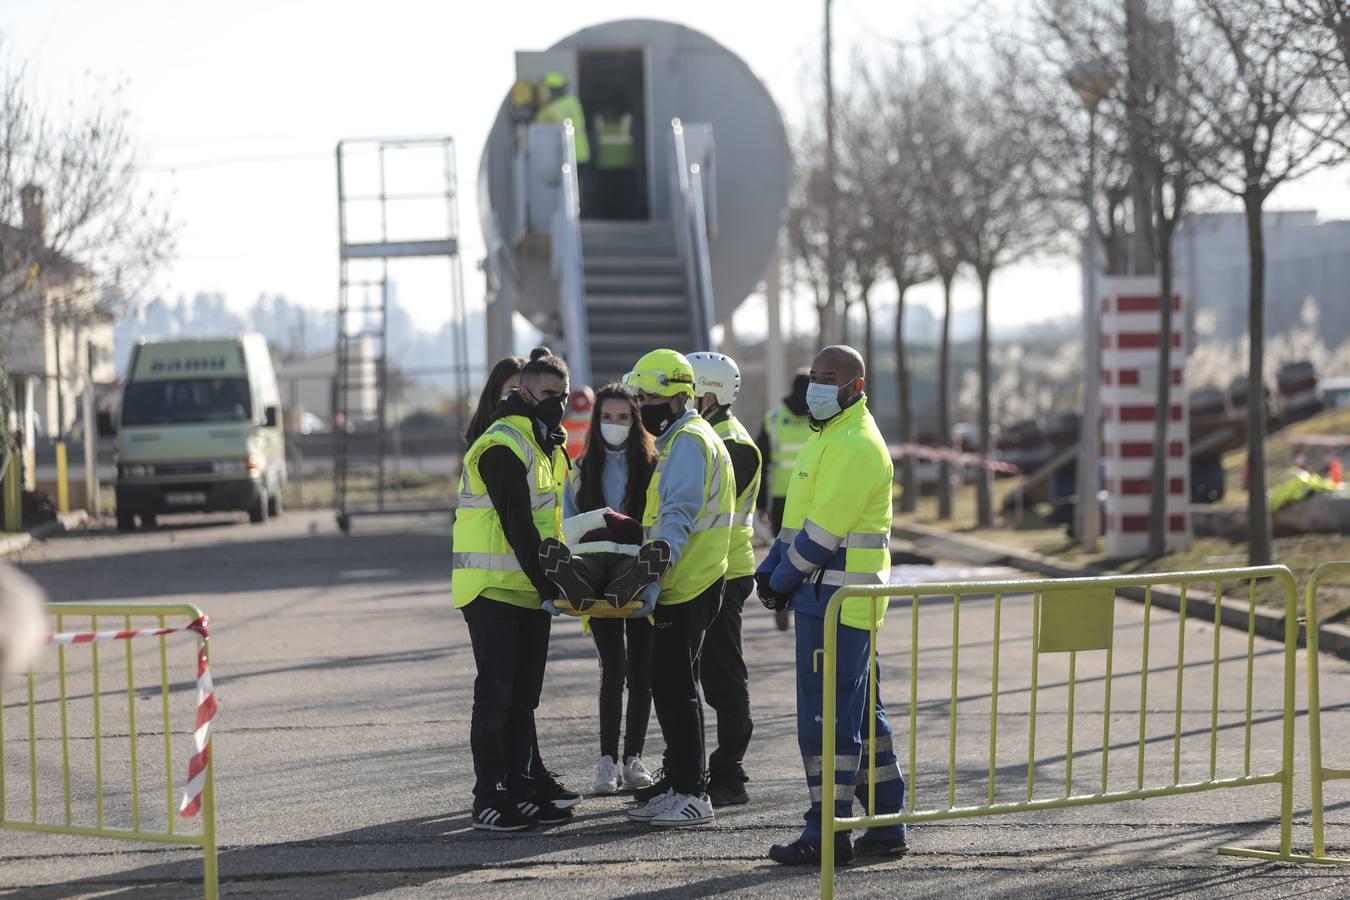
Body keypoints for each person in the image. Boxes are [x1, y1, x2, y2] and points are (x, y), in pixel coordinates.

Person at [756, 345, 907, 866]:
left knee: (825, 724)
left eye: (828, 378)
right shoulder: (830, 436)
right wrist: (771, 565)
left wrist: (780, 580)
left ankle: (827, 834)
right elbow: (799, 521)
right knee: (863, 716)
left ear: (855, 387)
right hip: (832, 599)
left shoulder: (855, 443)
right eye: (814, 376)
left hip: (835, 603)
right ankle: (886, 823)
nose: (815, 386)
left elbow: (822, 535)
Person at [452, 347, 576, 833]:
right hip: (492, 589)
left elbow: (550, 526)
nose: (557, 404)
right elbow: (519, 528)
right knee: (498, 695)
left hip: (525, 589)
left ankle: (523, 787)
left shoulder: (544, 443)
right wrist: (553, 585)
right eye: (548, 394)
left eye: (562, 396)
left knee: (524, 698)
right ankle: (490, 794)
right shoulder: (502, 444)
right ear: (524, 392)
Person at [621, 349, 734, 828]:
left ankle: (692, 793)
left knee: (674, 687)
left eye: (647, 397)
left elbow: (677, 516)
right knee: (669, 685)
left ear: (675, 398)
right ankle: (679, 780)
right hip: (689, 580)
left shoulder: (688, 441)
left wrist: (651, 568)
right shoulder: (685, 438)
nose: (639, 405)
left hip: (686, 582)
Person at [551, 384, 661, 795]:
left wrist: (653, 579)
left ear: (636, 422)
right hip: (595, 571)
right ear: (595, 422)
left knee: (642, 672)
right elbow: (567, 522)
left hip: (637, 567)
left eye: (623, 417)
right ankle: (607, 762)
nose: (614, 425)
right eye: (607, 417)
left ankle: (634, 758)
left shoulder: (653, 465)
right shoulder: (580, 468)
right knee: (613, 669)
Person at [687, 352, 761, 807]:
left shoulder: (732, 444)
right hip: (699, 569)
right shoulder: (704, 435)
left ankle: (729, 772)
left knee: (722, 677)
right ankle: (689, 770)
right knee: (686, 676)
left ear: (709, 394)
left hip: (724, 571)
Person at [756, 372, 813, 631]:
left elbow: (761, 463)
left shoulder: (774, 420)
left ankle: (780, 599)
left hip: (782, 499)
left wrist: (761, 504)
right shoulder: (822, 418)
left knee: (784, 551)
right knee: (814, 550)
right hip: (815, 496)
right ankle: (808, 600)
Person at [464, 355, 525, 446]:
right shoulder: (486, 442)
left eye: (526, 392)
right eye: (513, 390)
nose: (521, 397)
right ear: (495, 392)